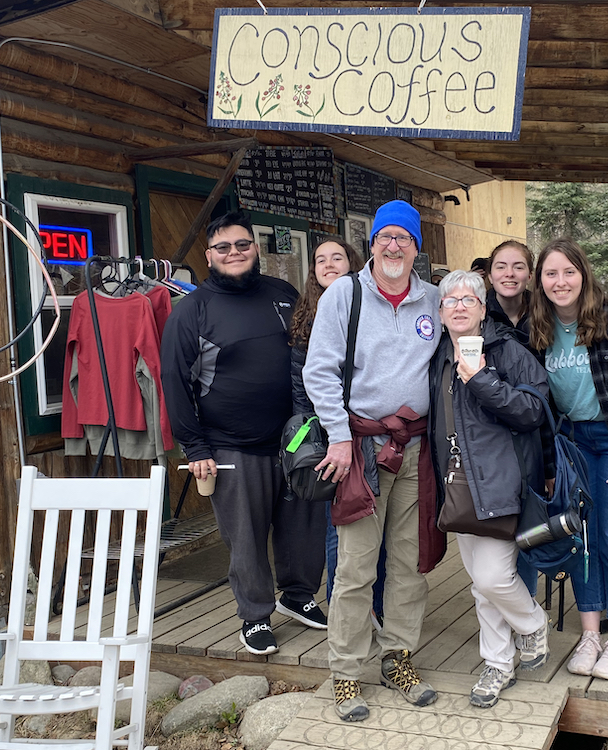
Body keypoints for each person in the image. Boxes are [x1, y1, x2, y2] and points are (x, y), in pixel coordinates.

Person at [160, 212, 327, 657]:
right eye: (223, 247)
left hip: (294, 440)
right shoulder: (191, 311)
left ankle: (297, 595)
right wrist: (194, 446)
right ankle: (254, 616)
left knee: (303, 528)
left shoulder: (284, 294)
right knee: (246, 537)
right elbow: (174, 381)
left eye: (242, 244)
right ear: (209, 255)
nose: (234, 253)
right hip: (231, 444)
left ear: (255, 248)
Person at [303, 200, 443, 721]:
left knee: (408, 563)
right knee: (357, 565)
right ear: (373, 245)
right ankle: (346, 672)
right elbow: (318, 371)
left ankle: (398, 656)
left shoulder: (433, 299)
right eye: (384, 236)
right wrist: (339, 437)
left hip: (415, 449)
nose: (392, 246)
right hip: (360, 450)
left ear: (416, 247)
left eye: (402, 238)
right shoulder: (345, 294)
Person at [528, 238, 608, 681]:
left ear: (583, 274)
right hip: (575, 445)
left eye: (568, 271)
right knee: (583, 539)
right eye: (551, 273)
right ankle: (590, 633)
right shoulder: (540, 326)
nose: (560, 281)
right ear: (540, 282)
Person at [428, 270, 550, 708]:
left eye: (469, 299)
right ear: (440, 313)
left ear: (483, 310)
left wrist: (481, 378)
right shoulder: (437, 356)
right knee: (481, 586)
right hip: (458, 486)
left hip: (502, 484)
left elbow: (534, 410)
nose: (459, 306)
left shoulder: (509, 353)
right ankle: (498, 664)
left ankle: (533, 624)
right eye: (450, 300)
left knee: (493, 577)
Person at [288, 237, 385, 626]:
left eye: (337, 258)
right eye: (319, 260)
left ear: (353, 263)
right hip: (332, 438)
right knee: (340, 526)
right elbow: (301, 385)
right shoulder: (306, 320)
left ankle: (375, 605)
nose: (328, 265)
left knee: (375, 525)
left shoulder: (368, 306)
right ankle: (343, 611)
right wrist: (323, 435)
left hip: (373, 432)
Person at [486, 240, 533, 349]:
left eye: (518, 267)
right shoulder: (478, 314)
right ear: (490, 277)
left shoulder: (546, 312)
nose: (509, 274)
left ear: (530, 276)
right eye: (501, 267)